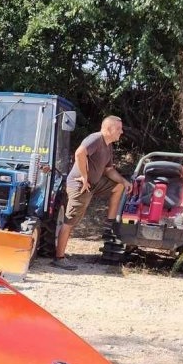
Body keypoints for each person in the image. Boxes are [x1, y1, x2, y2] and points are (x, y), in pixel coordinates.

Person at [52, 115, 132, 270]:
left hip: (95, 183)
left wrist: (124, 181)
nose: (121, 132)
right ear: (108, 129)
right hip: (80, 184)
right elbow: (79, 153)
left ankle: (110, 223)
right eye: (118, 129)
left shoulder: (108, 145)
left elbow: (109, 170)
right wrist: (83, 176)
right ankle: (59, 258)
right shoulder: (95, 139)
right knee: (70, 221)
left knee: (118, 186)